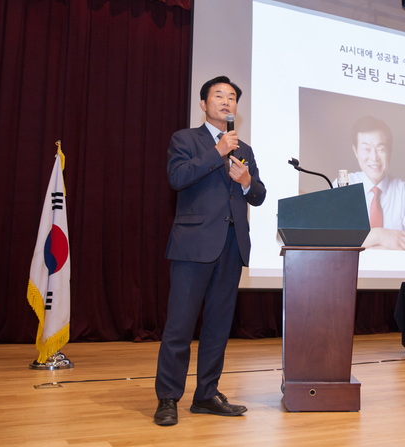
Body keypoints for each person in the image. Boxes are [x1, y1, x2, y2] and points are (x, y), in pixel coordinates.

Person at [153, 76, 266, 426]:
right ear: (203, 104)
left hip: (232, 247)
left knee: (218, 326)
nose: (226, 101)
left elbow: (259, 195)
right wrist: (217, 153)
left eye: (231, 97)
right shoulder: (185, 139)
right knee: (180, 325)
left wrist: (246, 182)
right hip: (194, 246)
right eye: (218, 95)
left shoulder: (245, 149)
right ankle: (168, 397)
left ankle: (206, 394)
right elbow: (177, 177)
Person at [334, 116, 405, 251]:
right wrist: (379, 236)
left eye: (381, 149)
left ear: (390, 151)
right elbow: (334, 240)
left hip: (393, 266)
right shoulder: (343, 185)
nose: (374, 157)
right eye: (366, 149)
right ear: (356, 151)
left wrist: (362, 243)